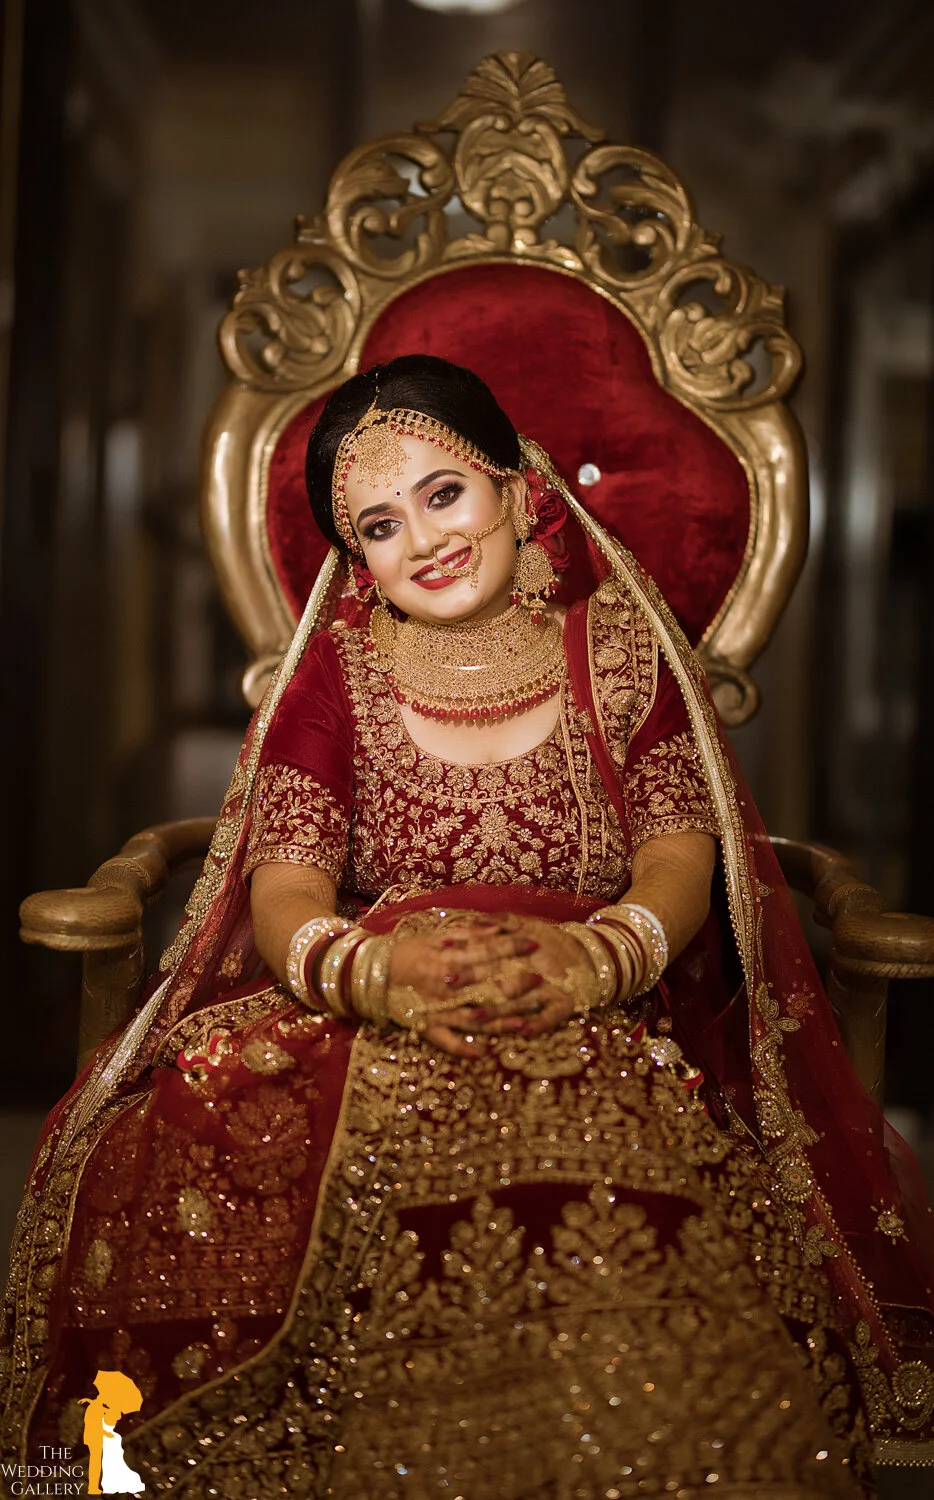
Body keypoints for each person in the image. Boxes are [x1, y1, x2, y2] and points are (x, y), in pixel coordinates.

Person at [3, 355, 934, 1498]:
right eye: (380, 526)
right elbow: (287, 890)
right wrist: (370, 969)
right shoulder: (337, 677)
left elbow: (677, 859)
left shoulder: (620, 653)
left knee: (624, 1224)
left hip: (594, 1015)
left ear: (516, 483)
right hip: (371, 1011)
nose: (426, 540)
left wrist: (598, 955)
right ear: (356, 561)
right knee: (215, 1155)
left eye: (445, 493)